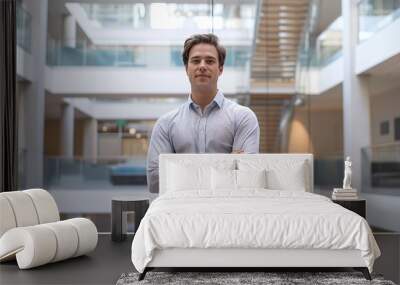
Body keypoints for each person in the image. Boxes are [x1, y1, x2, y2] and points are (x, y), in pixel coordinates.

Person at [147, 34, 260, 193]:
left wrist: (179, 169)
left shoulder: (243, 117)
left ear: (220, 69)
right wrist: (227, 163)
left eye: (209, 61)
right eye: (195, 60)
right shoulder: (166, 123)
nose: (202, 66)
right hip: (181, 212)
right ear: (186, 69)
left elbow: (246, 177)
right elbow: (154, 181)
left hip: (228, 212)